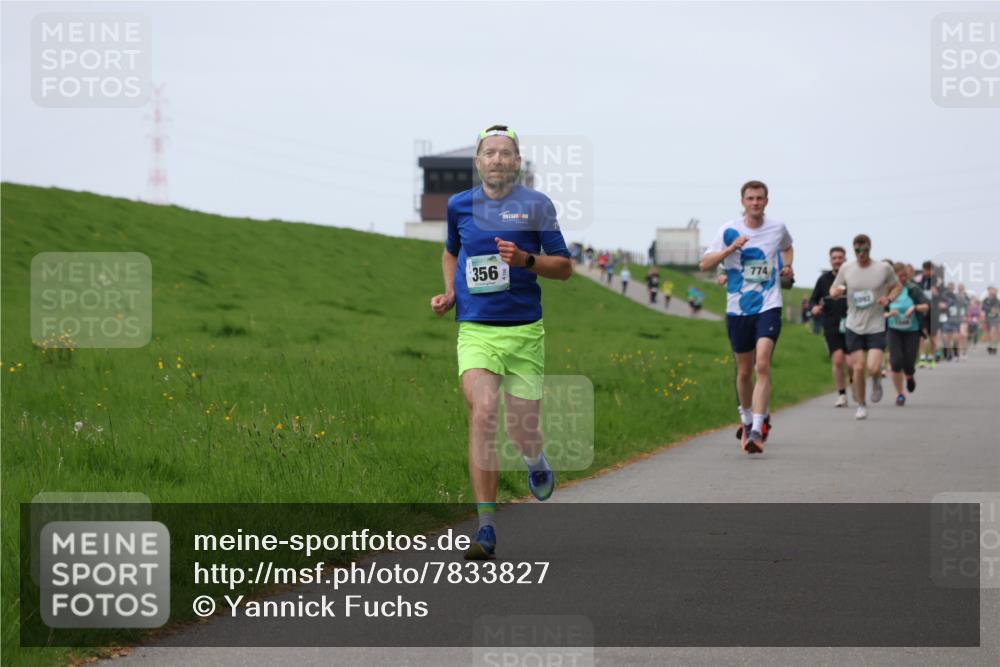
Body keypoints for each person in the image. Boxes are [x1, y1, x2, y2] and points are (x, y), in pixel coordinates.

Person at [430, 124, 572, 560]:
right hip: (475, 330)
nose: (496, 159)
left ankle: (535, 461)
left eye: (504, 152)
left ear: (516, 162)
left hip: (524, 331)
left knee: (522, 430)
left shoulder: (537, 206)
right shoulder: (459, 205)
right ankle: (486, 527)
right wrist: (452, 290)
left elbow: (564, 267)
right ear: (478, 161)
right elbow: (451, 251)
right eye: (488, 152)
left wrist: (526, 260)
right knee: (484, 413)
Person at [700, 180, 794, 453]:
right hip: (738, 308)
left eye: (760, 198)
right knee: (743, 372)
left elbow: (788, 246)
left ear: (767, 201)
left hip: (769, 304)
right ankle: (746, 418)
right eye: (750, 198)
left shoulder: (777, 228)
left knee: (761, 365)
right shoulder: (729, 230)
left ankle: (756, 430)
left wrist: (787, 266)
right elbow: (704, 264)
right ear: (743, 202)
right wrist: (730, 250)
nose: (755, 202)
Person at [829, 234, 901, 420]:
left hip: (876, 325)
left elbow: (897, 286)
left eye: (865, 250)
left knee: (873, 367)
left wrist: (889, 298)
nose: (861, 254)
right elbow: (834, 288)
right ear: (854, 250)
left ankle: (876, 379)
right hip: (854, 325)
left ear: (870, 248)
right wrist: (835, 292)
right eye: (858, 251)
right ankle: (861, 405)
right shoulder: (846, 268)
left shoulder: (883, 268)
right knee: (858, 368)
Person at [809, 246, 851, 407]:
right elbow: (813, 300)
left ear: (845, 259)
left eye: (840, 257)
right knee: (838, 360)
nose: (837, 260)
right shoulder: (824, 280)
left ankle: (855, 382)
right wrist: (814, 307)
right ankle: (842, 394)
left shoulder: (852, 277)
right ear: (830, 260)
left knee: (853, 364)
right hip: (831, 324)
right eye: (834, 258)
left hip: (853, 324)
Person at [885, 262, 930, 406]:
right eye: (900, 276)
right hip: (894, 330)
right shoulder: (887, 290)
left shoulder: (913, 289)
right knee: (896, 362)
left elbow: (926, 306)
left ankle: (909, 376)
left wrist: (915, 308)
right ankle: (900, 394)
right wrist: (888, 314)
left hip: (912, 331)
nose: (903, 279)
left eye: (905, 275)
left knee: (909, 363)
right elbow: (879, 311)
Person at [983, 286, 1000, 356]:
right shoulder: (985, 300)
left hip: (995, 318)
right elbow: (983, 308)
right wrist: (990, 309)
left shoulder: (996, 300)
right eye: (990, 290)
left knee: (994, 332)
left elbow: (997, 309)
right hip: (988, 318)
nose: (991, 292)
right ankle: (991, 345)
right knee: (990, 333)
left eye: (993, 290)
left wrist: (996, 311)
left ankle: (994, 347)